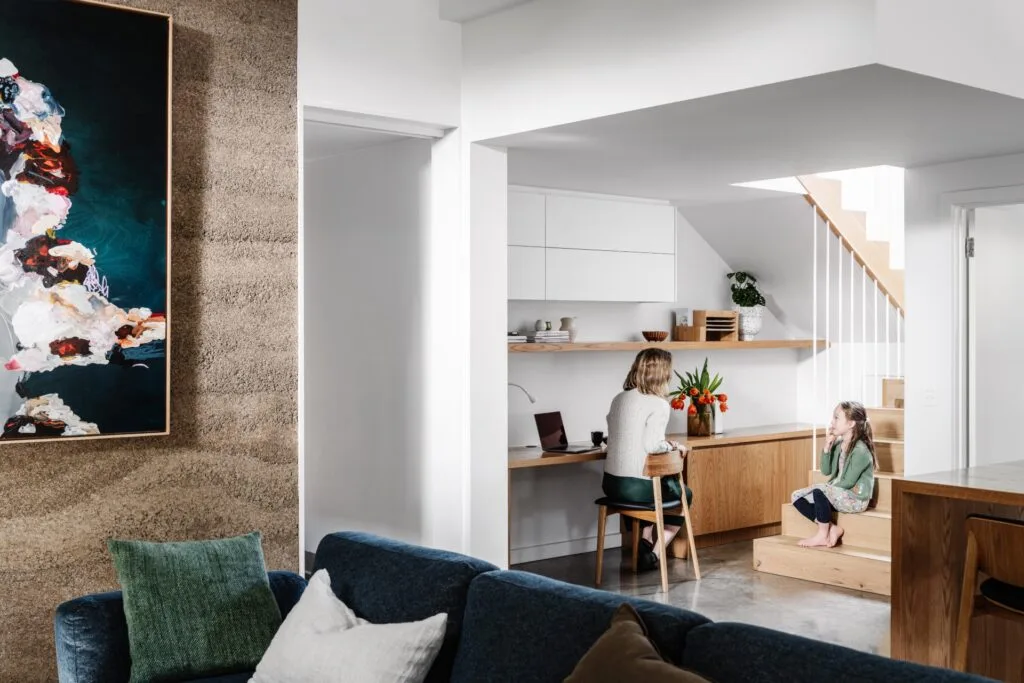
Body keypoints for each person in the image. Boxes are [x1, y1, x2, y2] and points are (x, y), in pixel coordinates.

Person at [604, 348, 692, 570]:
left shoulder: (618, 399)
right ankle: (654, 554)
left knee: (652, 488)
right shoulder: (658, 403)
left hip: (612, 485)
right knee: (683, 494)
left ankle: (644, 539)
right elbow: (653, 445)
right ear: (663, 374)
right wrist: (673, 446)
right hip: (638, 489)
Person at [790, 401, 877, 548]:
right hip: (838, 492)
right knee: (796, 497)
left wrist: (824, 488)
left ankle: (822, 535)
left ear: (850, 424)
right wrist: (827, 447)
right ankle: (831, 527)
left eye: (837, 418)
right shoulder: (839, 444)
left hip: (855, 498)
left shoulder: (861, 451)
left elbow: (848, 482)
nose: (832, 422)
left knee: (819, 492)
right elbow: (826, 471)